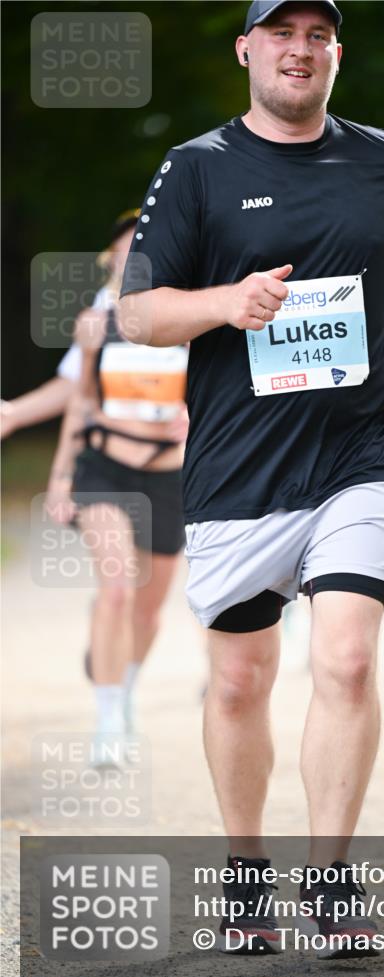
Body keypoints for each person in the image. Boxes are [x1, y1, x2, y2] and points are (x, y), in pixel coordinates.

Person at [119, 0, 384, 957]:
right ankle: (247, 874)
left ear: (335, 54)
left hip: (358, 456)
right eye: (281, 34)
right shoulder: (199, 167)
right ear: (246, 49)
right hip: (238, 466)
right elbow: (138, 316)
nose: (299, 51)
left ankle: (332, 884)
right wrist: (230, 301)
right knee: (238, 683)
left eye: (317, 37)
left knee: (344, 658)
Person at [46, 210, 189, 763]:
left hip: (169, 474)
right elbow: (80, 401)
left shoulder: (188, 318)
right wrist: (61, 476)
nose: (137, 254)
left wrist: (194, 416)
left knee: (148, 611)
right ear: (112, 256)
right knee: (117, 590)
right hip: (104, 468)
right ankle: (106, 720)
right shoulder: (94, 324)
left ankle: (124, 690)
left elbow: (210, 395)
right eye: (128, 245)